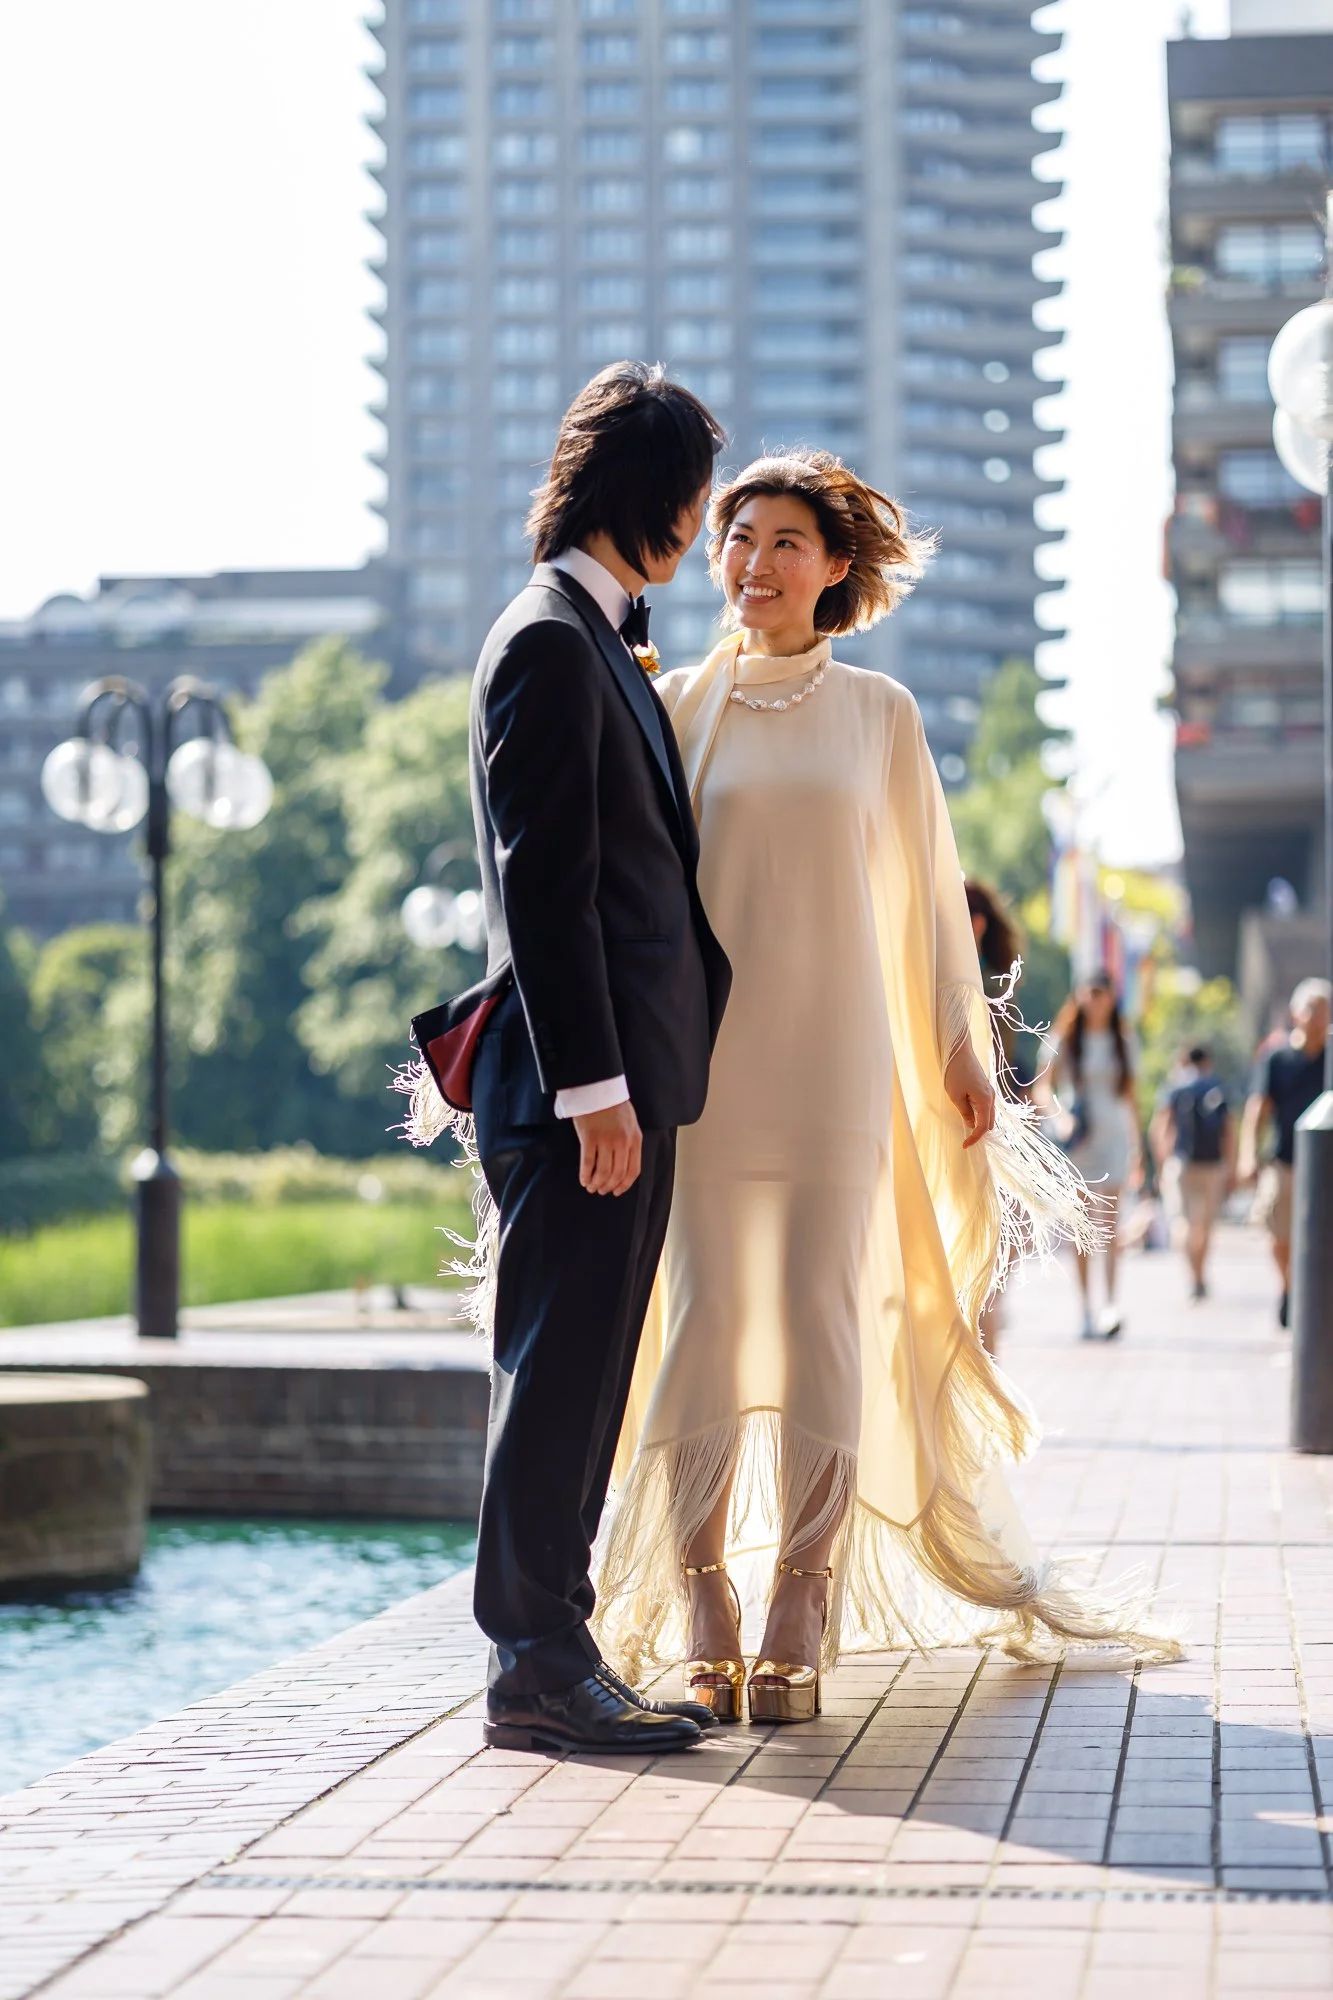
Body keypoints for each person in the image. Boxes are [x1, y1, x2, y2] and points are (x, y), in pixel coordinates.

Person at [591, 450, 1175, 1725]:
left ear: (835, 565)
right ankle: (704, 1601)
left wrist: (963, 1054)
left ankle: (802, 1592)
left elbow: (927, 908)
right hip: (703, 1076)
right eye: (737, 535)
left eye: (784, 539)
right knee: (693, 1329)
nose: (752, 559)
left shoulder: (882, 716)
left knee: (819, 1322)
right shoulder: (671, 702)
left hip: (838, 1068)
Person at [452, 364, 733, 1755]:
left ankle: (558, 1648)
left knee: (589, 1373)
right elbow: (545, 882)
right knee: (560, 1370)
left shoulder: (587, 634)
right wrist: (595, 1093)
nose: (698, 527)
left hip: (620, 1081)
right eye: (692, 501)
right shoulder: (551, 642)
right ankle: (533, 1667)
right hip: (585, 1095)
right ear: (657, 505)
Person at [1048, 973, 1142, 1341]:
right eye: (1088, 994)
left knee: (1111, 1226)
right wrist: (1061, 1117)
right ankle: (1085, 1308)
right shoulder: (1066, 1038)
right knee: (1082, 1228)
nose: (1094, 1000)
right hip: (1079, 1141)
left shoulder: (1123, 1039)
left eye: (1101, 993)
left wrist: (1138, 1148)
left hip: (1114, 1138)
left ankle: (1111, 1304)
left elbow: (1131, 1097)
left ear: (1111, 997)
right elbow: (1044, 1085)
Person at [1237, 977, 1331, 1327]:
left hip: (1326, 1165)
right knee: (1278, 1231)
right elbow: (1258, 1107)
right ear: (1296, 1013)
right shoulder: (1277, 1057)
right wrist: (1248, 1154)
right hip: (1286, 1159)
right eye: (1312, 1009)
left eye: (1324, 1010)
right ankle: (1291, 1286)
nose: (1318, 1017)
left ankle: (1311, 1294)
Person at [965, 880, 1026, 1355]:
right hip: (988, 1125)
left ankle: (983, 1363)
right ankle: (986, 1360)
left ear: (976, 924)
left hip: (977, 1126)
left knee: (981, 1255)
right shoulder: (994, 981)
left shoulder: (979, 984)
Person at [1149, 1044, 1234, 1302]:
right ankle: (1200, 1275)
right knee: (1206, 1225)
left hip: (1181, 1163)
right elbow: (1229, 1130)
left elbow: (1160, 1127)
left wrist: (1161, 1163)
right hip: (1212, 1165)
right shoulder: (1217, 1086)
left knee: (1183, 1223)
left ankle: (1193, 1277)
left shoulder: (1175, 1088)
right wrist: (1231, 1166)